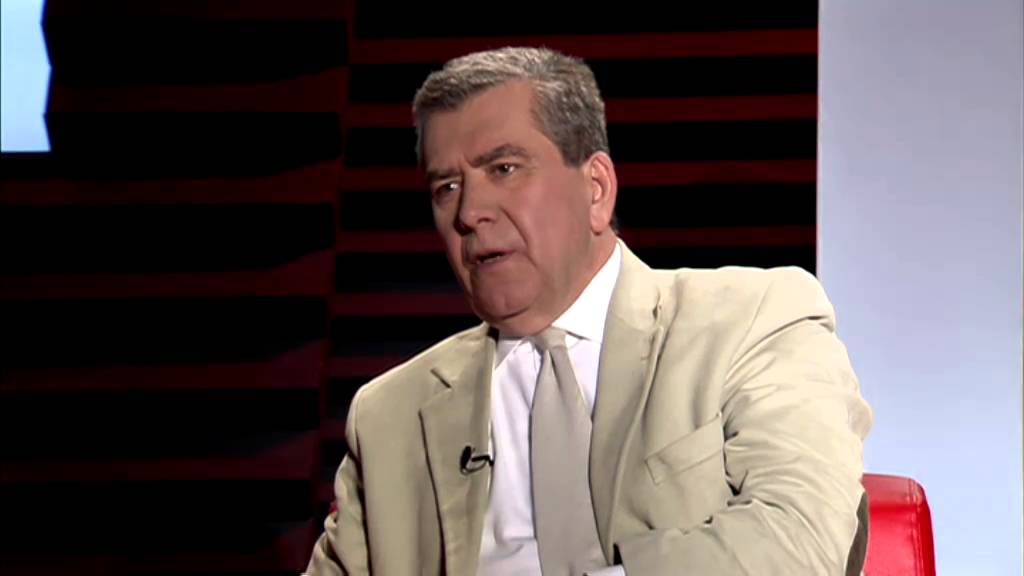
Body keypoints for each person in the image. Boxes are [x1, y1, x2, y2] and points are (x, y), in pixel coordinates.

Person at [305, 46, 872, 576]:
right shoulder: (389, 415)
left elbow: (797, 537)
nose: (470, 212)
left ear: (596, 188)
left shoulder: (751, 321)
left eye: (504, 168)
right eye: (447, 187)